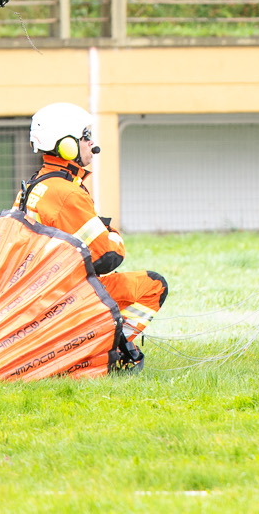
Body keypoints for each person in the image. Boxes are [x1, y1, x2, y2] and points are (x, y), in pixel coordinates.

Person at [17, 102, 170, 367]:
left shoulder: (33, 186)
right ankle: (106, 353)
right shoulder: (66, 193)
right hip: (63, 298)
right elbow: (107, 257)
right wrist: (112, 232)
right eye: (85, 136)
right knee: (154, 286)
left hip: (42, 297)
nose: (91, 143)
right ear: (66, 145)